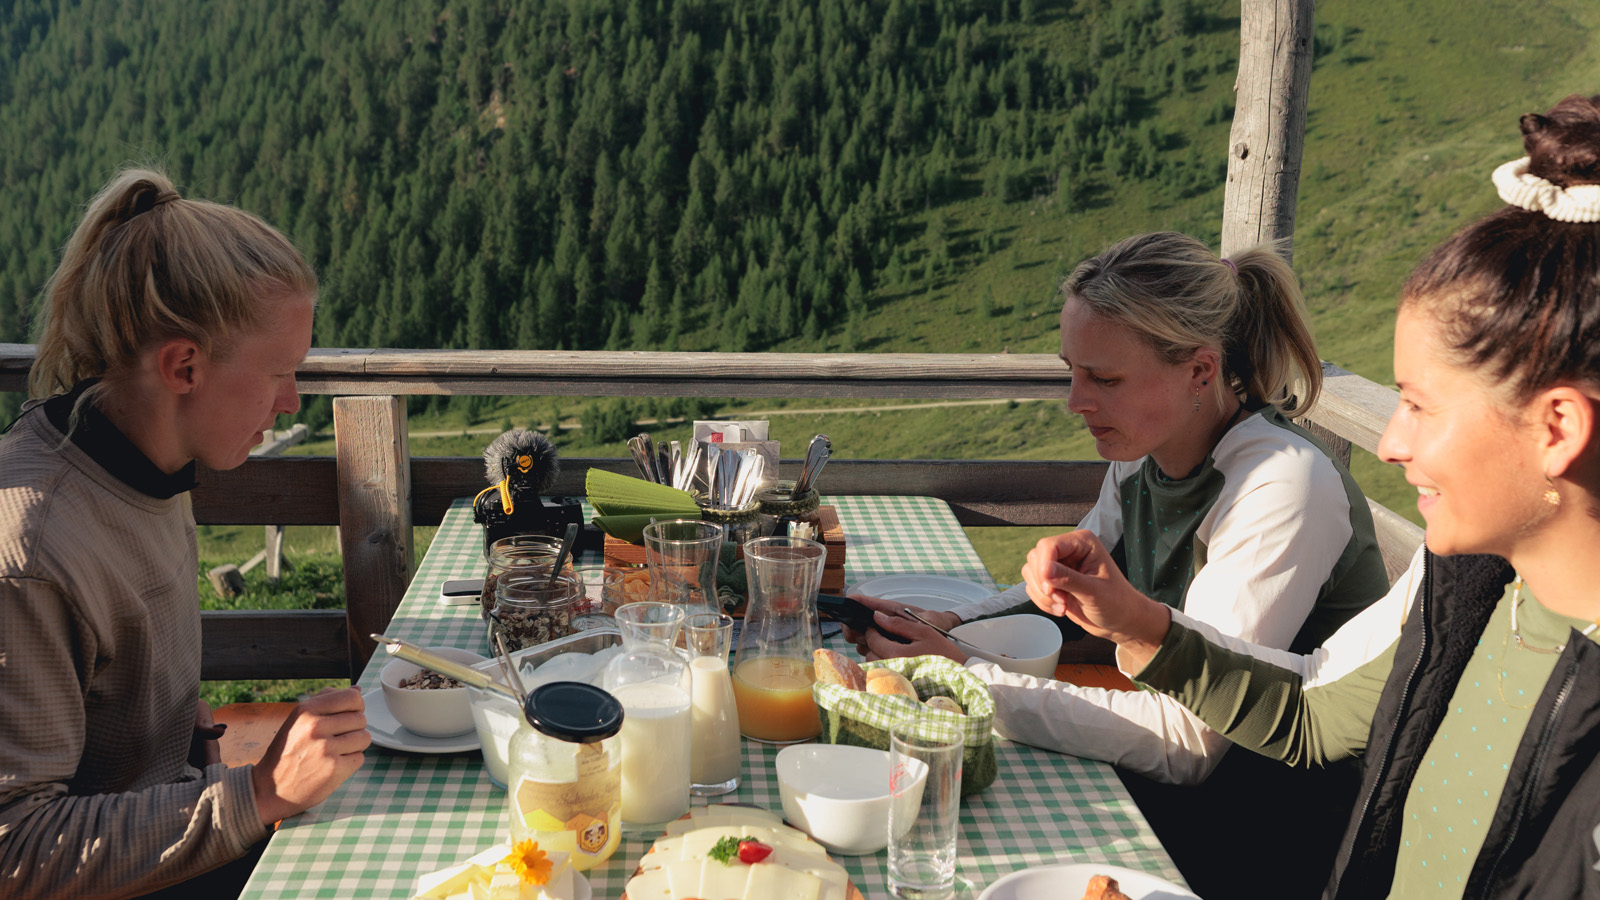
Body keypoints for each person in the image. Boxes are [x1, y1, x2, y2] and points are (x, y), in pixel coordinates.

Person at [1024, 94, 1600, 898]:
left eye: (1420, 406)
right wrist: (1137, 622)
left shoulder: (1303, 489)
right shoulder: (1461, 584)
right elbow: (1308, 712)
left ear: (1558, 427)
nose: (1391, 444)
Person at [846, 231, 1391, 898]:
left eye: (1104, 379)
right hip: (1184, 799)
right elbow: (1063, 590)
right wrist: (946, 623)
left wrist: (966, 677)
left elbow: (1184, 744)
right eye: (1071, 371)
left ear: (1199, 370)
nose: (1076, 401)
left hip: (1269, 841)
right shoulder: (1146, 449)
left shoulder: (1282, 485)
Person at [0, 169, 371, 899]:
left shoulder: (150, 461)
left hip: (170, 826)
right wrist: (258, 794)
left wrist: (179, 733)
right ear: (183, 366)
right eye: (279, 373)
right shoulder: (32, 549)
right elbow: (15, 848)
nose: (293, 400)